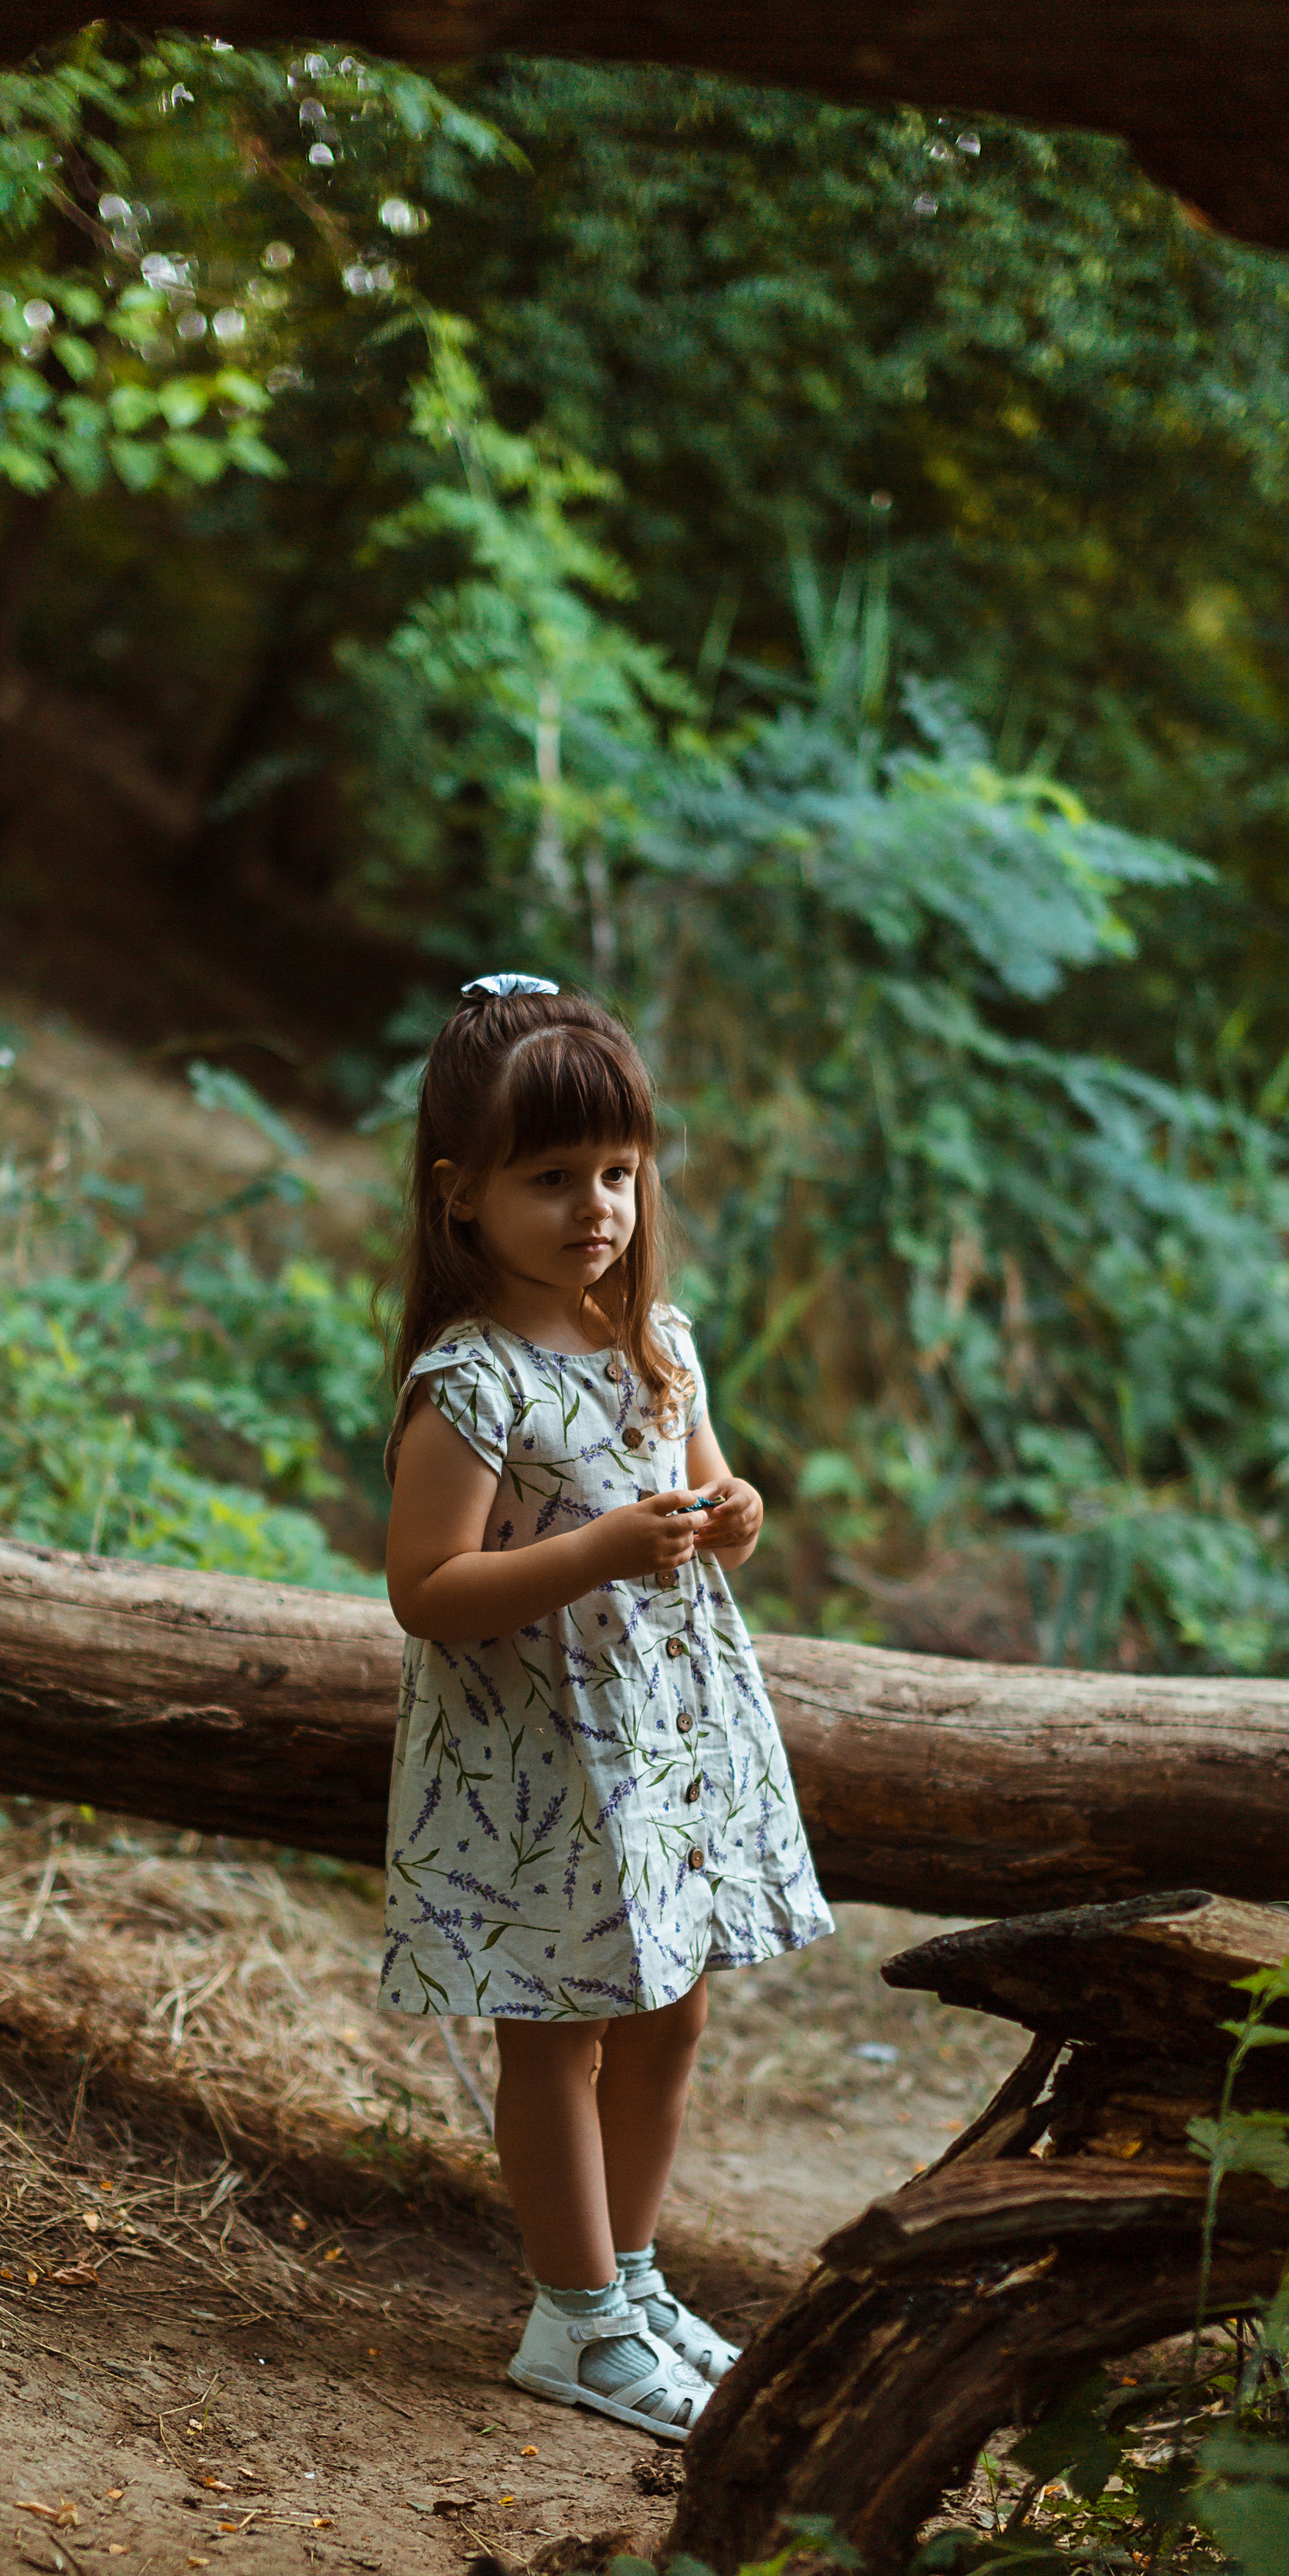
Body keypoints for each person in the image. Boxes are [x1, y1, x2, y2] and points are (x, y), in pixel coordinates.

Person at [381, 973, 834, 2443]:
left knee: (672, 2008)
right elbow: (427, 1588)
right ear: (463, 1198)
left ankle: (630, 2285)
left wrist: (732, 1510)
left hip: (662, 1747)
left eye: (621, 1174)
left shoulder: (661, 1342)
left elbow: (695, 1492)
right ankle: (571, 2319)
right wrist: (588, 1552)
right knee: (557, 2029)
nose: (598, 1208)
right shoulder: (471, 1382)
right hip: (538, 1761)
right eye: (553, 1177)